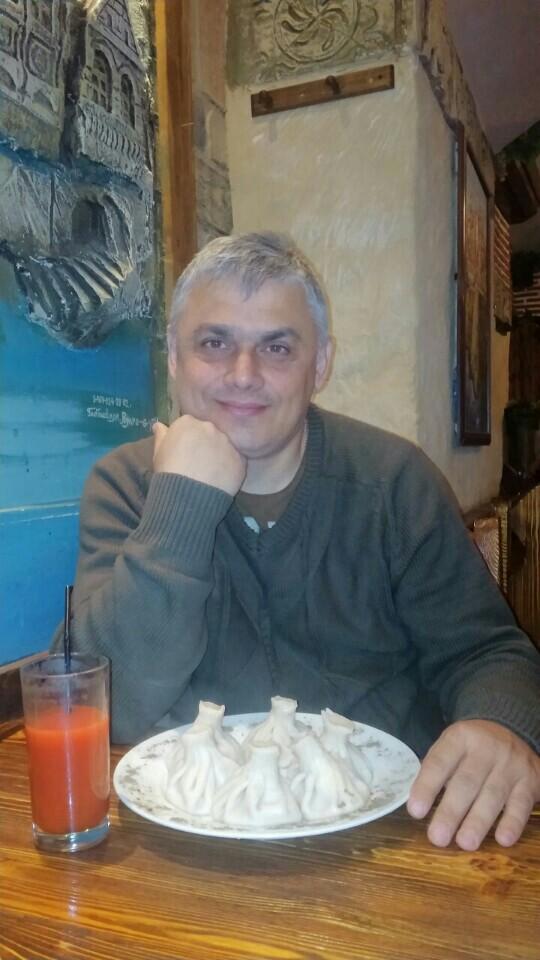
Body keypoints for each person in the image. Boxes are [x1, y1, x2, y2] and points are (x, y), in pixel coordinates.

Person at [54, 232, 540, 851]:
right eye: (213, 343)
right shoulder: (124, 486)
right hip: (190, 848)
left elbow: (488, 651)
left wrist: (500, 724)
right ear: (173, 356)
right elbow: (105, 705)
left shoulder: (394, 481)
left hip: (394, 838)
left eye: (277, 347)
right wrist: (180, 504)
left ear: (322, 364)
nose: (242, 375)